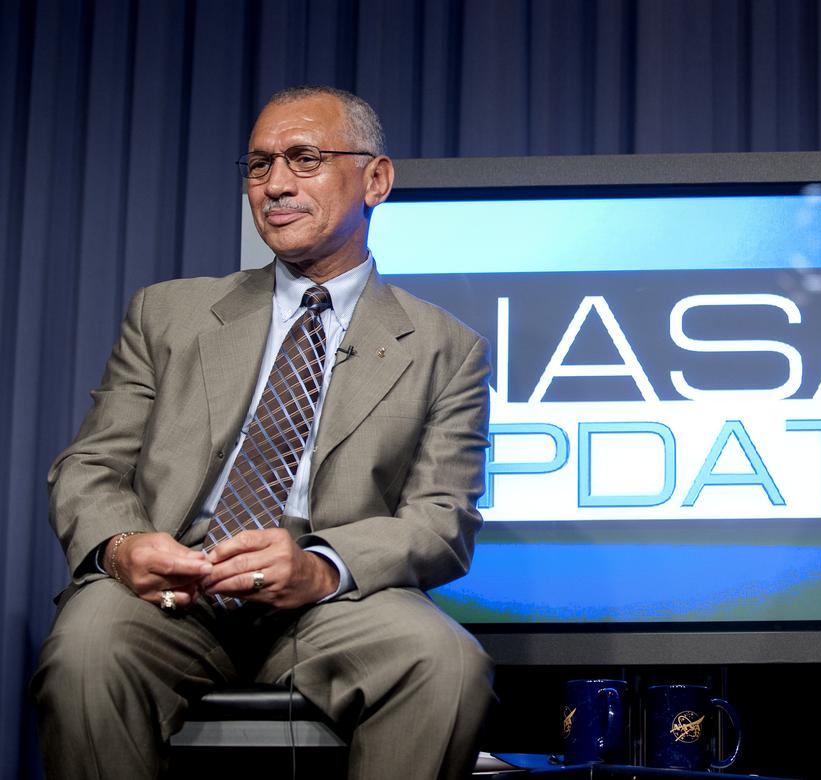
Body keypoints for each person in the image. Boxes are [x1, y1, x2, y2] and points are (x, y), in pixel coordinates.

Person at [32, 85, 494, 779]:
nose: (274, 185)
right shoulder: (168, 313)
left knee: (446, 663)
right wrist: (123, 546)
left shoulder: (444, 347)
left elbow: (440, 520)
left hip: (334, 604)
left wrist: (320, 566)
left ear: (376, 179)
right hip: (174, 595)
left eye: (304, 159)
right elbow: (88, 467)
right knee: (86, 650)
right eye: (258, 165)